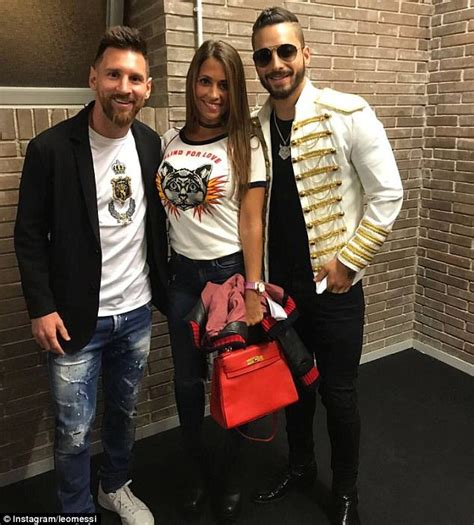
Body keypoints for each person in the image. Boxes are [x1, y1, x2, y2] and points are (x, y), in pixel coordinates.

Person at [250, 7, 403, 525]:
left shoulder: (349, 114)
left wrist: (349, 262)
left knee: (337, 395)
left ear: (305, 53)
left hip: (334, 289)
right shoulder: (255, 124)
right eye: (265, 55)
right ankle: (299, 466)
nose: (277, 64)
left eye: (285, 51)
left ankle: (345, 492)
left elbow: (388, 195)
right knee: (293, 386)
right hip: (280, 289)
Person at [14, 26, 168, 524]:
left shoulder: (150, 144)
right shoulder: (51, 149)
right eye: (114, 74)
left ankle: (114, 487)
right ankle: (74, 511)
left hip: (137, 312)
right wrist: (41, 306)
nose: (125, 87)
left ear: (147, 88)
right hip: (76, 320)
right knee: (74, 430)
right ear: (93, 79)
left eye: (135, 78)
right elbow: (29, 235)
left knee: (124, 414)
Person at [156, 40, 266, 522]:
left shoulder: (246, 142)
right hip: (181, 277)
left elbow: (252, 224)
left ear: (235, 89)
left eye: (224, 84)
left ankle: (230, 475)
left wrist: (256, 291)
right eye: (206, 81)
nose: (214, 93)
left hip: (228, 278)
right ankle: (197, 471)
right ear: (192, 82)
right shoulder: (168, 140)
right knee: (186, 384)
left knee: (232, 384)